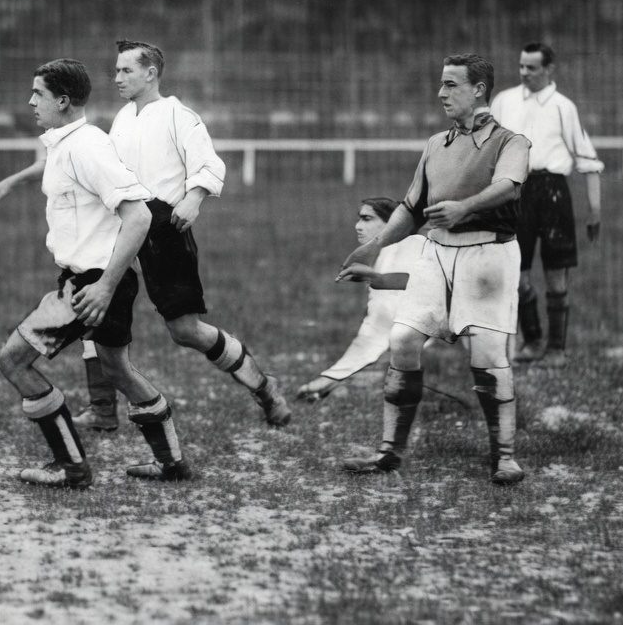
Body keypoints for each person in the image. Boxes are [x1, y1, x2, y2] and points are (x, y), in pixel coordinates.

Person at [0, 58, 192, 487]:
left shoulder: (87, 146)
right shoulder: (68, 142)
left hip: (91, 285)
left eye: (37, 93)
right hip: (95, 281)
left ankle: (71, 467)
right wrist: (11, 181)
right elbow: (60, 170)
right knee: (117, 371)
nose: (30, 101)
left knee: (13, 361)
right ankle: (172, 463)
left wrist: (104, 286)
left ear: (62, 100)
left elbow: (138, 218)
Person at [69, 40, 291, 433]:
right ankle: (103, 408)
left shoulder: (178, 114)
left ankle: (263, 386)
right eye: (116, 70)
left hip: (163, 229)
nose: (116, 77)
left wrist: (195, 198)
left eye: (126, 70)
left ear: (150, 73)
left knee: (185, 331)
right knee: (93, 306)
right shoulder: (122, 117)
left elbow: (208, 163)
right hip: (121, 227)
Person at [336, 54, 530, 485]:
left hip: (489, 256)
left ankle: (505, 457)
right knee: (403, 339)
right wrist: (373, 246)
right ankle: (388, 452)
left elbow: (508, 185)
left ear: (478, 89)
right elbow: (410, 207)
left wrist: (465, 206)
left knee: (486, 353)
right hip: (436, 253)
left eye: (451, 85)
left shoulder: (510, 142)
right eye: (441, 85)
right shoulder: (435, 143)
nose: (441, 93)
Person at [490, 42, 603, 367]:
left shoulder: (563, 107)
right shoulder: (505, 101)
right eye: (522, 66)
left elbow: (588, 159)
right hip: (514, 190)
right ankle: (532, 340)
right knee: (516, 275)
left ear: (549, 69)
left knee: (556, 274)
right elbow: (485, 147)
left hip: (553, 192)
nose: (524, 72)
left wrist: (595, 211)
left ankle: (556, 349)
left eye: (532, 67)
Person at [295, 197, 429, 403]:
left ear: (392, 223)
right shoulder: (390, 248)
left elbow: (423, 288)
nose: (358, 226)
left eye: (367, 219)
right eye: (359, 219)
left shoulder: (411, 245)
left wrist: (374, 277)